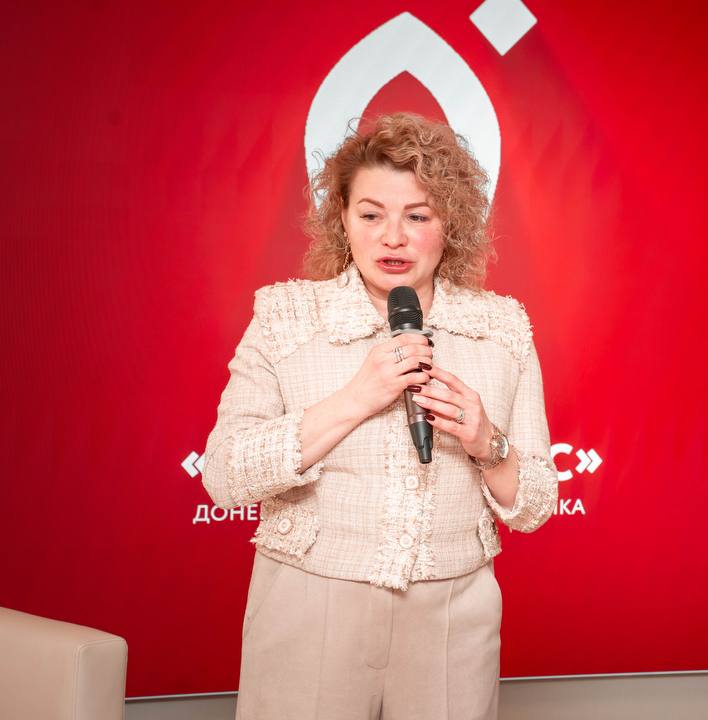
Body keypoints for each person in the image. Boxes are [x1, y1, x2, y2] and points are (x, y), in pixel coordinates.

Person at [202, 112, 557, 720]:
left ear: (451, 224)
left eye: (418, 216)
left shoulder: (502, 327)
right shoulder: (286, 316)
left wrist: (487, 442)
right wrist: (356, 399)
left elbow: (537, 504)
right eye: (371, 215)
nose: (393, 237)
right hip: (310, 608)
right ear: (342, 219)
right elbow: (225, 474)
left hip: (454, 617)